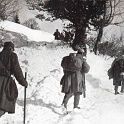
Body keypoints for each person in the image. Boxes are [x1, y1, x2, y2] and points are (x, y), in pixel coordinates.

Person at [0, 41, 28, 117]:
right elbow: (17, 70)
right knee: (4, 104)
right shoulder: (12, 55)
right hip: (5, 83)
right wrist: (23, 82)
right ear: (10, 48)